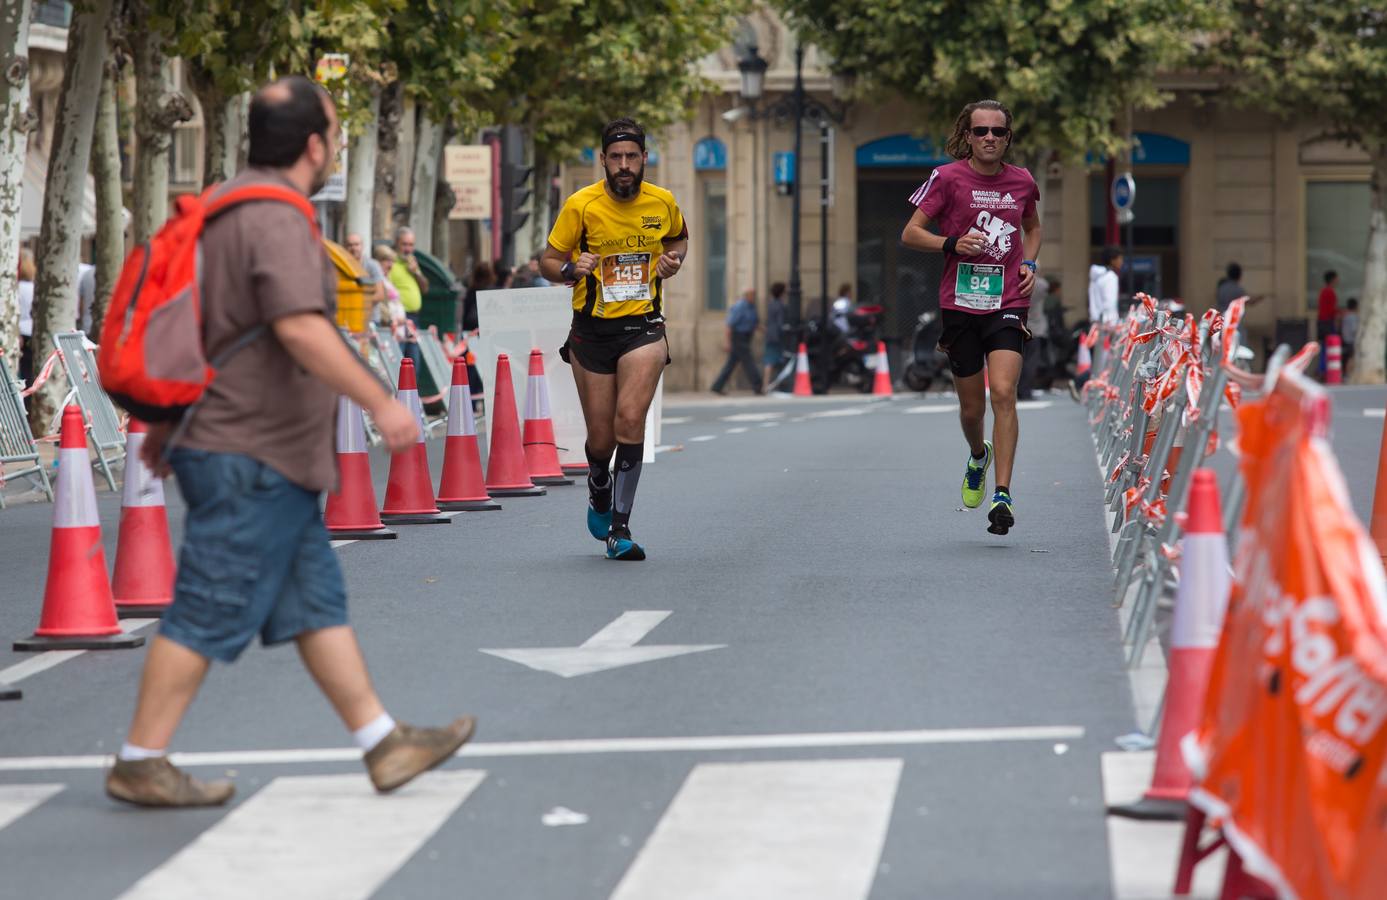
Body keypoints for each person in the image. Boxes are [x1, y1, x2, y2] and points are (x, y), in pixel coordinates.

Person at [106, 76, 474, 809]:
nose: (337, 144)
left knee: (313, 601)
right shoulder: (276, 217)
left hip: (249, 449)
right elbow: (299, 327)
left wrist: (172, 427)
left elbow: (209, 328)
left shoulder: (225, 206)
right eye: (335, 132)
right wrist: (380, 401)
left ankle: (383, 743)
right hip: (252, 453)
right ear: (314, 145)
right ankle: (139, 759)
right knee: (209, 603)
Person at [540, 117, 687, 561]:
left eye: (632, 157)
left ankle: (619, 529)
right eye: (616, 157)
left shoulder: (662, 203)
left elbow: (678, 241)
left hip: (643, 327)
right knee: (601, 439)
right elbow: (549, 260)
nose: (624, 165)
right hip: (591, 333)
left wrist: (671, 263)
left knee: (630, 420)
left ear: (645, 158)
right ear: (602, 160)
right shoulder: (581, 206)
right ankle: (598, 484)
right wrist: (570, 270)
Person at [901, 98, 1041, 536]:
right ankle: (978, 456)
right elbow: (910, 233)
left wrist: (1030, 264)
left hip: (1006, 302)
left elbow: (1032, 228)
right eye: (981, 131)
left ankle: (1002, 493)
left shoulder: (1022, 181)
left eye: (998, 132)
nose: (989, 139)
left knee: (1003, 390)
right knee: (971, 408)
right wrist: (951, 244)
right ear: (967, 136)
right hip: (960, 305)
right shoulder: (947, 178)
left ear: (1008, 138)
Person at [711, 287, 763, 395]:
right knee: (749, 362)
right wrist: (727, 342)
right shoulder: (740, 306)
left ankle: (717, 386)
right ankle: (758, 385)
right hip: (739, 338)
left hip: (747, 337)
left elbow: (754, 323)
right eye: (752, 295)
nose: (754, 297)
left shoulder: (752, 307)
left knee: (731, 364)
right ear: (747, 295)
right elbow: (729, 325)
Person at [389, 227, 427, 373]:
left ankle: (412, 395)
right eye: (404, 244)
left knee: (414, 362)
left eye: (411, 245)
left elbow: (425, 288)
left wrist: (416, 272)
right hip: (399, 319)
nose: (408, 249)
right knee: (399, 362)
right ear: (397, 244)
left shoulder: (412, 263)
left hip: (414, 319)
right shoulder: (391, 263)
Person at [345, 232, 387, 314]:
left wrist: (356, 303)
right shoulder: (343, 266)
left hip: (370, 318)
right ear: (345, 247)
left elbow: (380, 294)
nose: (353, 248)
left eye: (356, 244)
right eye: (350, 245)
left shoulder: (372, 265)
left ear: (362, 246)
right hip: (349, 317)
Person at [1088, 246, 1121, 327]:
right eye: (1119, 259)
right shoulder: (1110, 277)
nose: (1121, 262)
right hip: (1107, 325)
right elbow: (1110, 303)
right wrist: (1114, 324)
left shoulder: (1096, 277)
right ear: (1112, 260)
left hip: (1095, 322)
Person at [763, 281, 788, 388]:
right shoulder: (780, 305)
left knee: (770, 360)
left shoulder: (771, 304)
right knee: (776, 360)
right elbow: (780, 322)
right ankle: (773, 384)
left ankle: (766, 384)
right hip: (777, 335)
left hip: (770, 334)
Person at [16, 248, 35, 383]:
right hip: (31, 331)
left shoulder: (14, 288)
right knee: (29, 371)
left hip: (18, 331)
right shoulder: (33, 288)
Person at [1317, 270, 1339, 376]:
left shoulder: (1323, 291)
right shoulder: (1330, 292)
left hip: (1322, 321)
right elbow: (1331, 310)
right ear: (1333, 279)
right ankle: (1325, 370)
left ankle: (1322, 369)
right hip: (1328, 322)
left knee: (1325, 346)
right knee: (1330, 346)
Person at [1342, 297, 1359, 373]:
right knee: (1351, 357)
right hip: (1351, 340)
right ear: (1356, 307)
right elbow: (1354, 329)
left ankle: (1345, 372)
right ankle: (1349, 372)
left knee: (1346, 357)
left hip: (1345, 339)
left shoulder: (1346, 316)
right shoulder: (1353, 317)